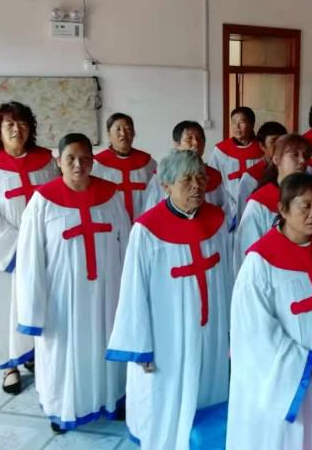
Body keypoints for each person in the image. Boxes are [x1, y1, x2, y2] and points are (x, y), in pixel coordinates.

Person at [107, 150, 232, 449]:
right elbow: (133, 292)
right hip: (167, 338)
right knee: (167, 399)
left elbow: (228, 275)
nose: (196, 186)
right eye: (186, 180)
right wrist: (141, 346)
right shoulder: (147, 231)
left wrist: (231, 331)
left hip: (211, 331)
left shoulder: (217, 221)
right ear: (165, 185)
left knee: (209, 393)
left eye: (200, 178)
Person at [226, 173, 312, 450]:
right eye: (305, 206)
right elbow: (254, 331)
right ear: (283, 209)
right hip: (287, 381)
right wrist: (307, 363)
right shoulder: (260, 262)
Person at [17, 133, 130, 432]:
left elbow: (127, 243)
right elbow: (30, 257)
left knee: (106, 345)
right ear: (59, 162)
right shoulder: (43, 202)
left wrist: (129, 293)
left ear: (93, 161)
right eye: (70, 159)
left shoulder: (111, 196)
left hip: (107, 292)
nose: (78, 165)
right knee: (66, 353)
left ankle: (111, 399)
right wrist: (34, 306)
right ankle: (62, 407)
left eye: (84, 158)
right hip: (63, 297)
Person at [0, 101, 58, 395]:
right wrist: (20, 248)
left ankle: (31, 353)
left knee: (38, 302)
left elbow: (59, 200)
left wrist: (46, 242)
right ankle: (9, 365)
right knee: (5, 307)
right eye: (9, 125)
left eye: (22, 124)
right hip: (4, 256)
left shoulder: (46, 161)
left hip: (44, 249)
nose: (16, 130)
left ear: (30, 128)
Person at [234, 134, 312, 275]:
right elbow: (247, 254)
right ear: (276, 159)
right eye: (295, 154)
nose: (302, 161)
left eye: (306, 156)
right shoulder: (259, 204)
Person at [142, 120, 227, 218]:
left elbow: (225, 211)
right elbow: (151, 212)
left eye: (199, 139)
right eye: (189, 139)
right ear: (176, 144)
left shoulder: (214, 177)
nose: (195, 143)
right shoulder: (163, 176)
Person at [93, 113, 157, 222]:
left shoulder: (148, 163)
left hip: (143, 223)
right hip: (111, 223)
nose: (123, 134)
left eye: (128, 129)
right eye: (118, 129)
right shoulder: (96, 165)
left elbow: (156, 195)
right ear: (109, 134)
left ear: (133, 133)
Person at [209, 107, 263, 218]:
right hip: (227, 205)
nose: (237, 127)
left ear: (252, 124)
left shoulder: (262, 149)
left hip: (256, 204)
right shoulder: (220, 151)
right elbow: (214, 180)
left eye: (242, 122)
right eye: (234, 122)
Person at [235, 121, 287, 223]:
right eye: (273, 142)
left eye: (283, 142)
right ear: (262, 146)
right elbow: (243, 214)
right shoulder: (250, 177)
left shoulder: (291, 171)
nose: (280, 147)